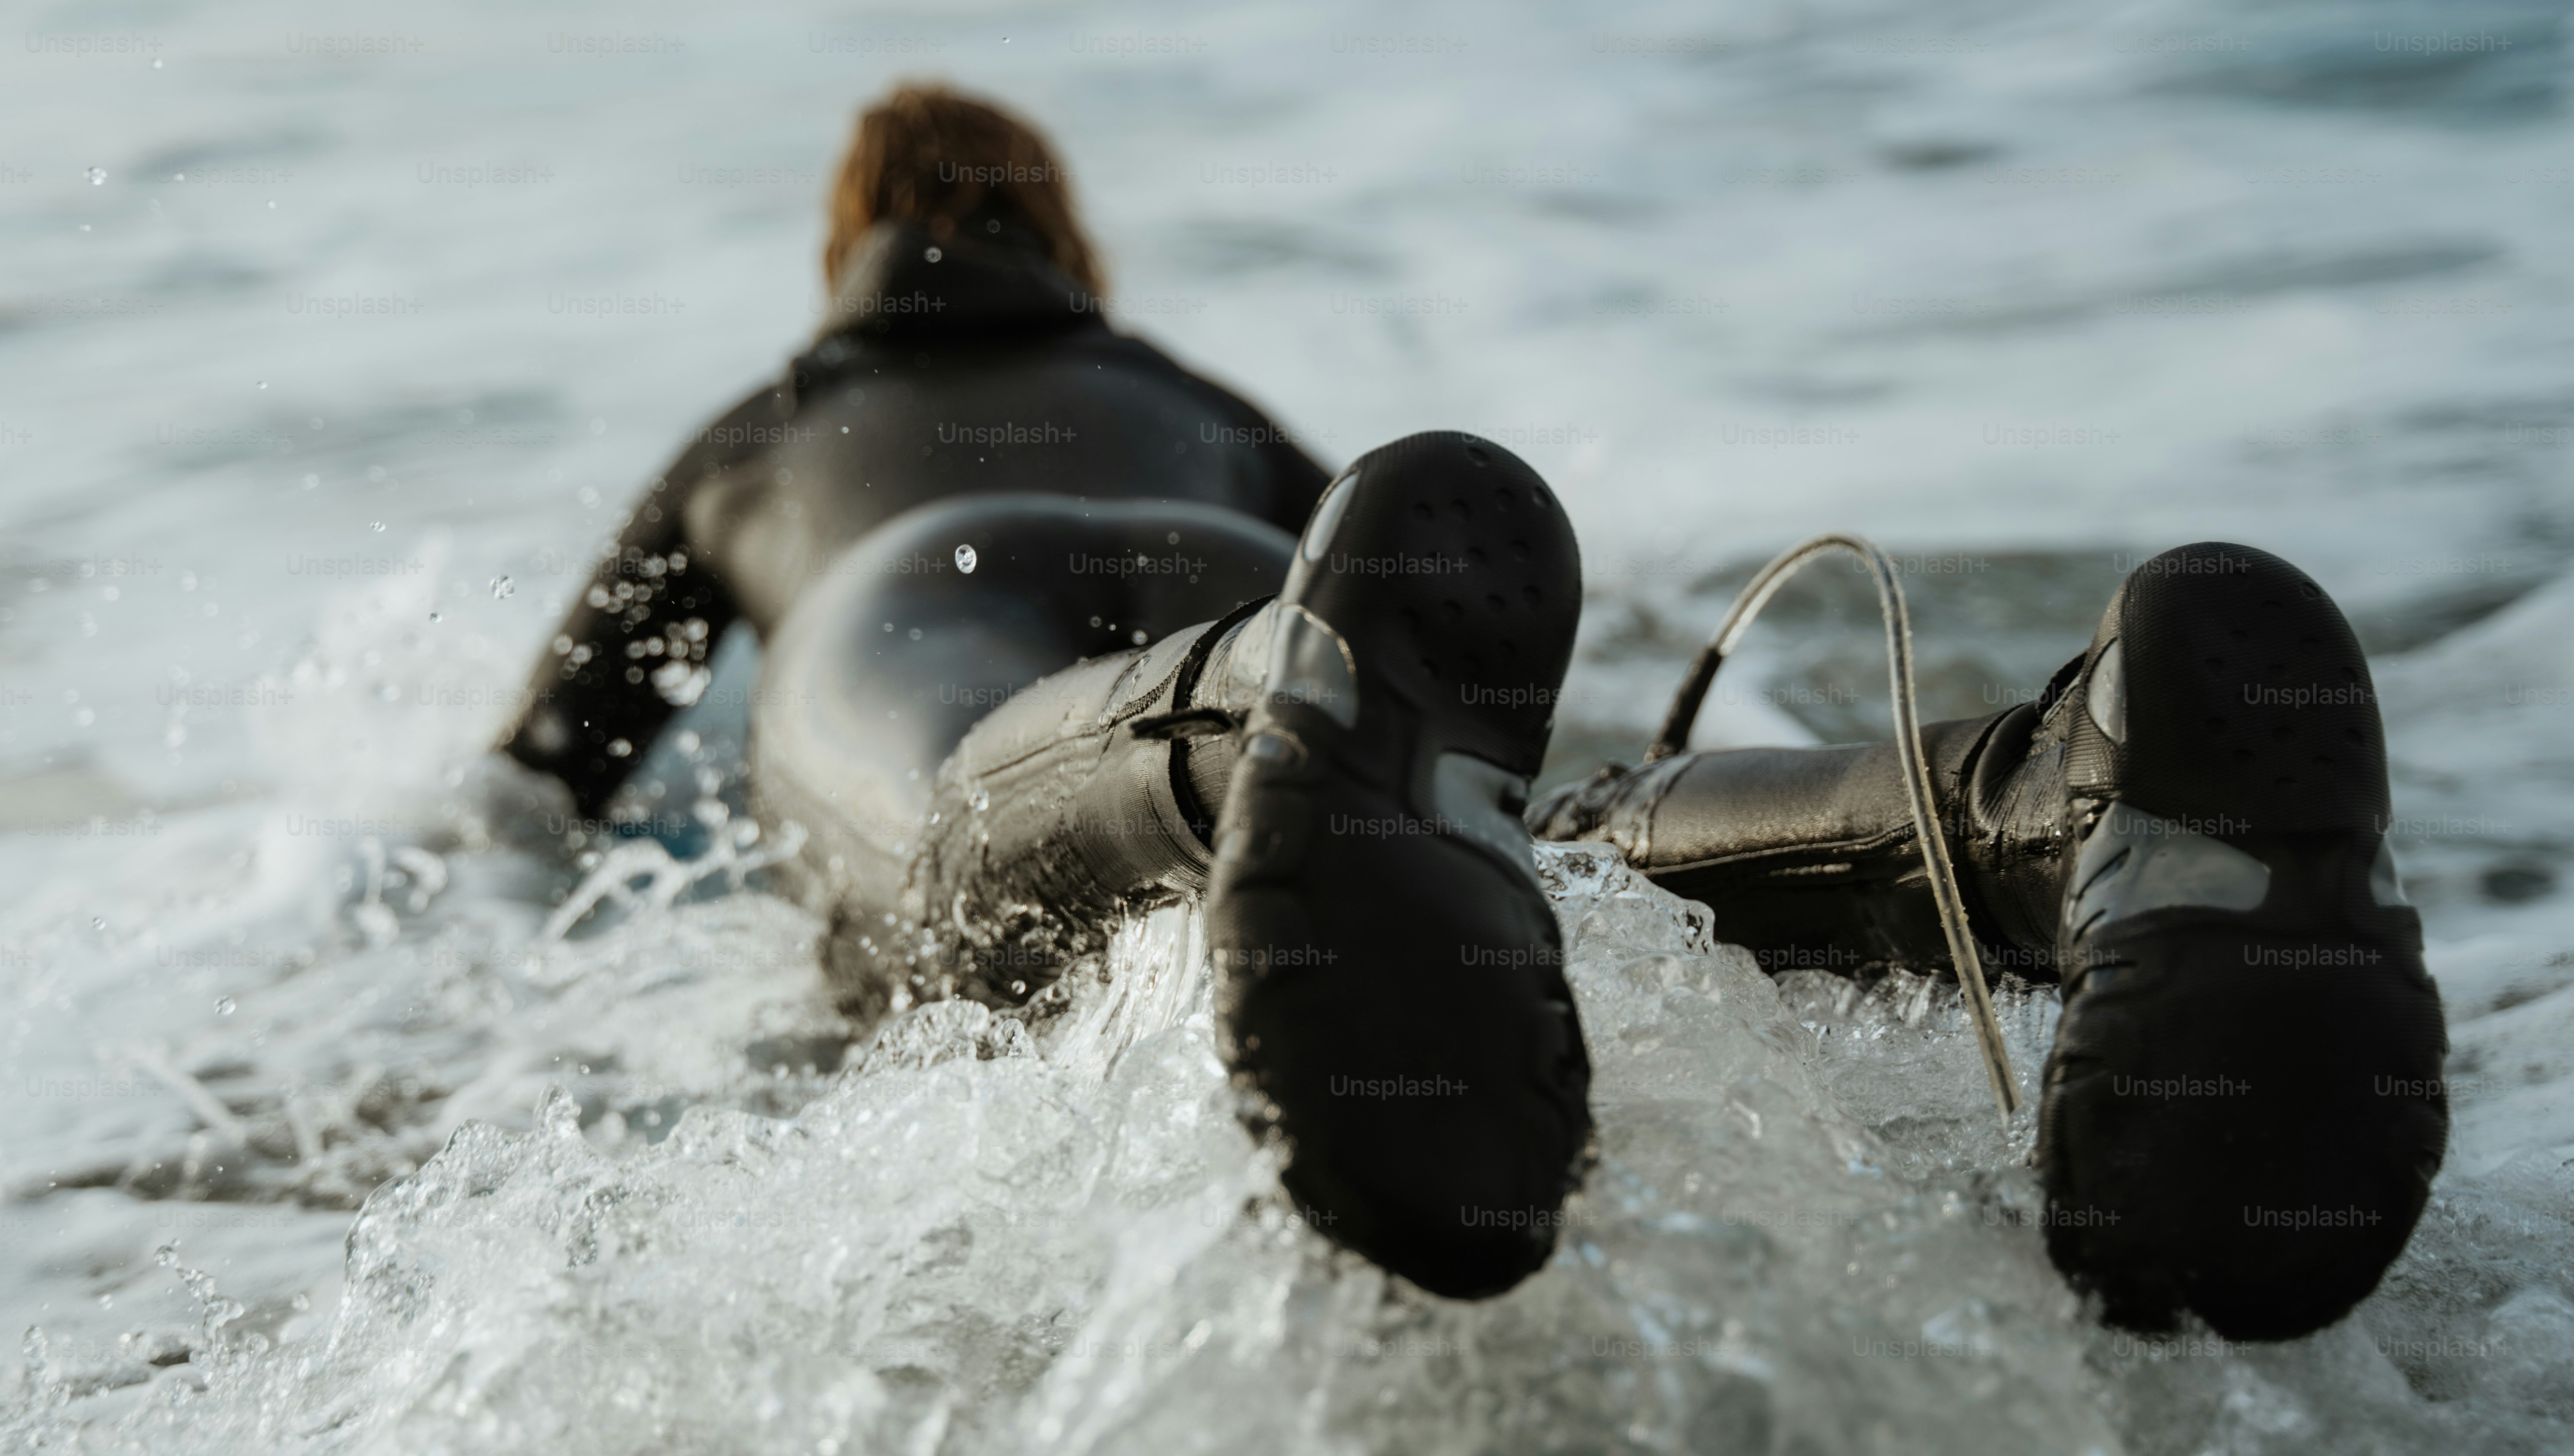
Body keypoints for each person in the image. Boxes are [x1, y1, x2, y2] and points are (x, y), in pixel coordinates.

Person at [503, 86, 2447, 1343]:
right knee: (1493, 815)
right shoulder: (1204, 405)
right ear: (1066, 252)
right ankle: (2070, 794)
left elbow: (542, 780)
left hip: (912, 607)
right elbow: (1453, 656)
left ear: (846, 253)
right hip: (1230, 553)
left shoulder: (759, 429)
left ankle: (1267, 705)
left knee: (961, 830)